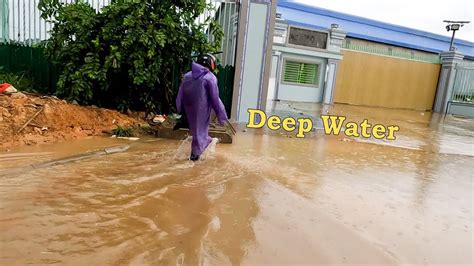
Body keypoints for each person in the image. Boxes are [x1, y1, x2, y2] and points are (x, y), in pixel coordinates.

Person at [176, 53, 228, 161]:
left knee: (197, 133)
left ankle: (196, 155)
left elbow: (179, 95)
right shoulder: (210, 78)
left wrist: (179, 109)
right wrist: (222, 116)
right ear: (212, 64)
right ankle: (194, 161)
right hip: (201, 111)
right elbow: (215, 99)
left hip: (188, 110)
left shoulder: (187, 76)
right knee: (200, 134)